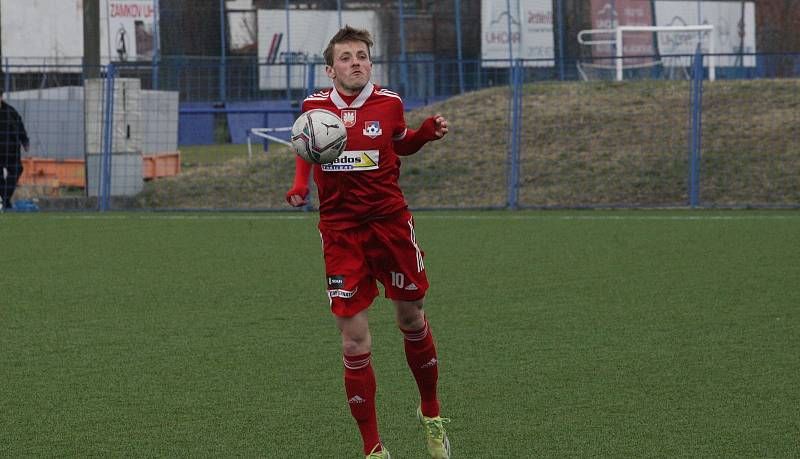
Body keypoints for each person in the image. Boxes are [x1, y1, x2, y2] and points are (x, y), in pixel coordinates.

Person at [286, 26, 450, 459]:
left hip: (390, 226)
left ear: (370, 63)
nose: (355, 62)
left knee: (411, 319)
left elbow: (402, 145)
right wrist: (299, 186)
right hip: (341, 232)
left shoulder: (390, 103)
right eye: (346, 57)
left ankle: (430, 413)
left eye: (362, 55)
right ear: (330, 68)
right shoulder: (314, 108)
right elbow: (306, 152)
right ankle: (373, 448)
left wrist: (426, 134)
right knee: (353, 342)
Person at [0, 89, 29, 211]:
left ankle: (4, 199)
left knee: (18, 169)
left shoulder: (11, 111)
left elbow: (20, 126)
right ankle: (4, 202)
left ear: (1, 97)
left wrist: (25, 141)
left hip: (11, 150)